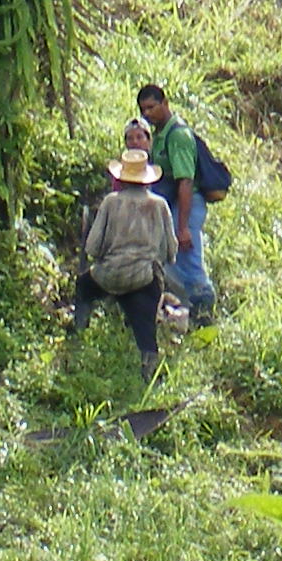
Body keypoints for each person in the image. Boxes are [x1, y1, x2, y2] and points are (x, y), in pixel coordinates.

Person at [75, 125, 176, 377]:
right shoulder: (159, 205)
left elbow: (92, 247)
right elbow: (170, 251)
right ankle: (149, 366)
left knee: (83, 286)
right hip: (143, 279)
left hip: (108, 276)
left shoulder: (111, 202)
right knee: (145, 325)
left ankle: (78, 337)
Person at [138, 81, 217, 325]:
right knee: (172, 260)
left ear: (165, 103)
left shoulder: (178, 135)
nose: (147, 114)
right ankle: (190, 314)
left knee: (188, 259)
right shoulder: (160, 135)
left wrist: (182, 227)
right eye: (143, 110)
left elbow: (185, 181)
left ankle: (204, 312)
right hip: (175, 205)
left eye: (152, 107)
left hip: (187, 205)